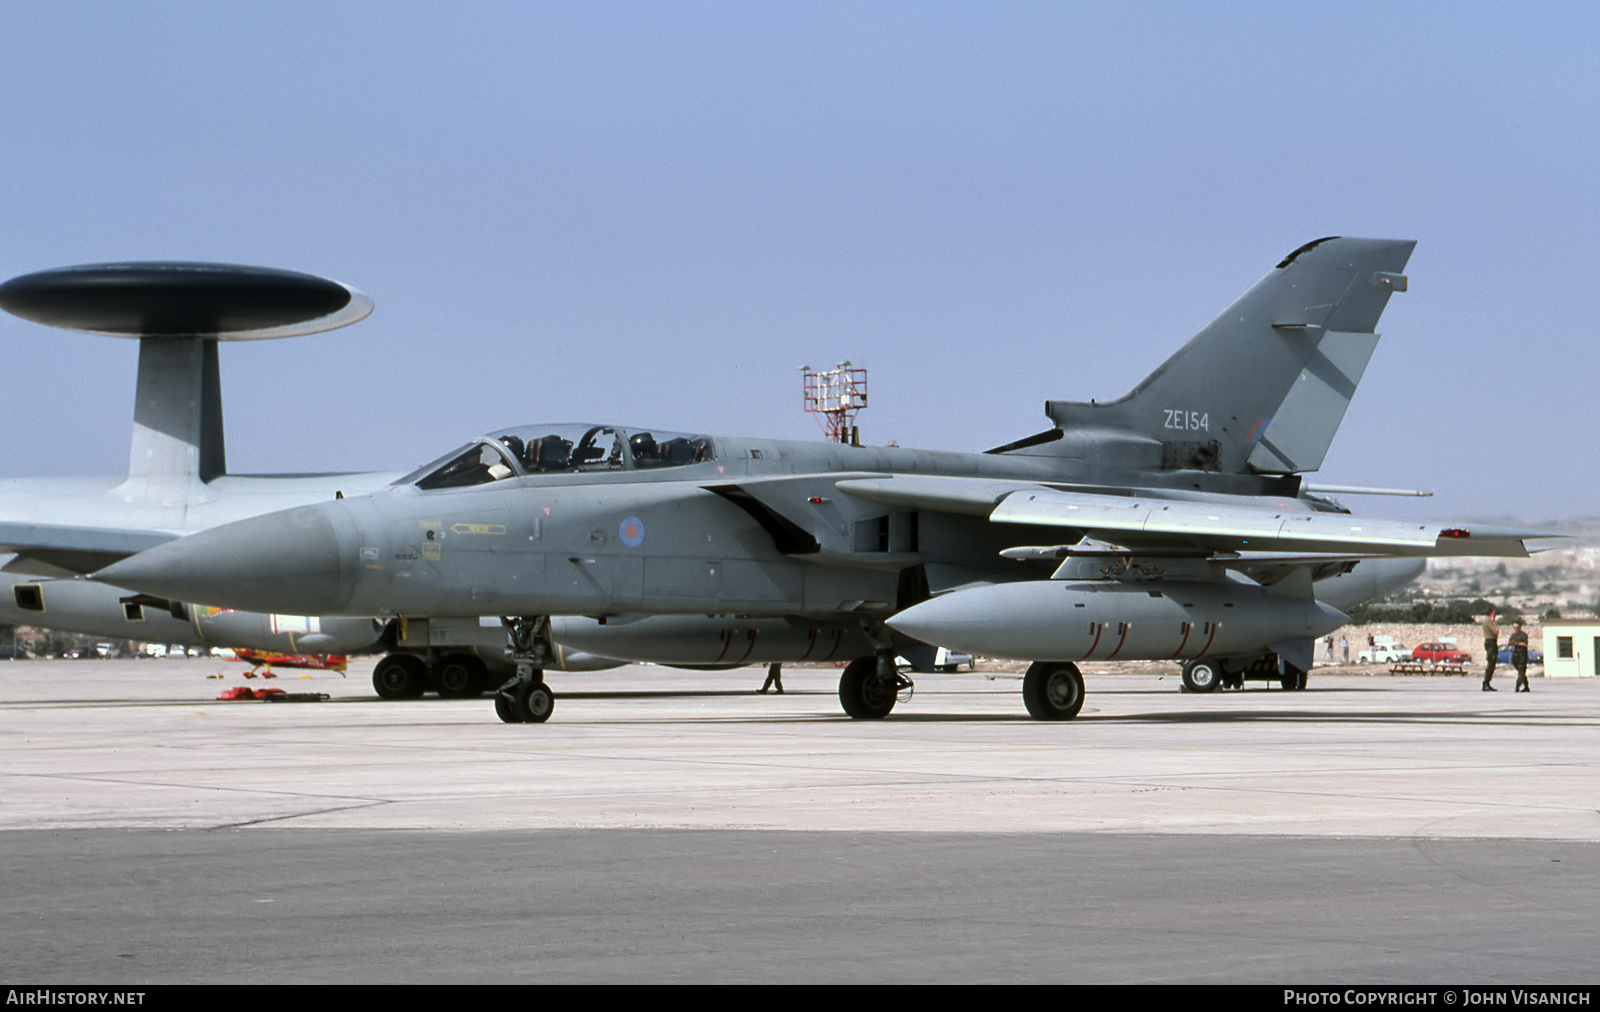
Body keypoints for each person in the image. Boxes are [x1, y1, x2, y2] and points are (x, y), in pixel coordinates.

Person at [1480, 606, 1499, 692]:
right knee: (1491, 663)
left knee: (1492, 663)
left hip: (1490, 642)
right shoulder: (1489, 621)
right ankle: (1486, 682)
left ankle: (1487, 682)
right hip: (1491, 642)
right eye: (1494, 613)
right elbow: (1496, 631)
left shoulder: (1486, 621)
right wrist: (1494, 622)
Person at [1509, 621, 1531, 692]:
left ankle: (1517, 685)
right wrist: (1511, 643)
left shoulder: (1523, 635)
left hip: (1522, 655)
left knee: (1521, 671)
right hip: (1515, 655)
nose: (1516, 629)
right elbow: (1509, 643)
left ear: (1520, 627)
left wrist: (1517, 643)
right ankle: (1526, 686)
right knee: (1521, 672)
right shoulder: (1513, 635)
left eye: (1517, 627)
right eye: (1514, 627)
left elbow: (1525, 644)